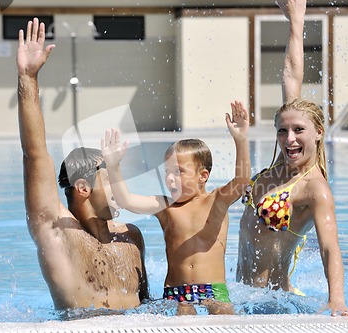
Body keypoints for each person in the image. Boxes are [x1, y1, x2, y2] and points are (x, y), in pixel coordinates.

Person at [236, 0, 348, 316]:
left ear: (318, 132)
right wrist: (296, 22)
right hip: (241, 295)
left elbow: (331, 247)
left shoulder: (313, 187)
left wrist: (337, 299)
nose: (289, 139)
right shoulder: (283, 162)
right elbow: (291, 74)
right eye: (282, 130)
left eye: (298, 130)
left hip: (271, 304)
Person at [17, 17, 148, 311]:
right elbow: (34, 155)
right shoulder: (59, 234)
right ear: (83, 187)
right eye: (109, 175)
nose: (120, 183)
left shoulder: (131, 238)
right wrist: (28, 79)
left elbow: (149, 306)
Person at [100, 101, 250, 315]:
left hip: (214, 292)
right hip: (176, 294)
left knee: (224, 318)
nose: (170, 178)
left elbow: (243, 181)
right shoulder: (165, 206)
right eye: (167, 172)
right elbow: (126, 201)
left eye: (179, 172)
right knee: (182, 316)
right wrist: (113, 166)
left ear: (203, 176)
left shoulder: (217, 200)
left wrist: (241, 140)